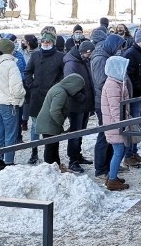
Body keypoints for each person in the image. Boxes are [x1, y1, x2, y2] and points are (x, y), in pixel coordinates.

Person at [24, 29, 64, 165]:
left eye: (48, 41)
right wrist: (31, 84)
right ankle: (34, 152)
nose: (45, 43)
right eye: (43, 41)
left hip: (52, 98)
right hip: (36, 97)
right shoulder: (35, 56)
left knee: (51, 129)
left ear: (53, 42)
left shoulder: (60, 56)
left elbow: (63, 76)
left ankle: (53, 159)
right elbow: (27, 71)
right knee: (35, 127)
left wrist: (57, 87)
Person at [0, 37, 26, 171]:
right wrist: (22, 94)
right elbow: (17, 89)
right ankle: (9, 161)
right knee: (11, 133)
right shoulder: (11, 65)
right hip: (8, 103)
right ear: (11, 50)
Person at [90, 33, 125, 178]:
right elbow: (100, 82)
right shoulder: (100, 59)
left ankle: (111, 164)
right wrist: (115, 85)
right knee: (105, 135)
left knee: (112, 136)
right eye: (119, 47)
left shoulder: (106, 56)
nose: (120, 50)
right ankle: (101, 168)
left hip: (109, 98)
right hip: (103, 101)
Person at [35, 74, 86, 172]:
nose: (77, 92)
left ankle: (56, 167)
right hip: (49, 124)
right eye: (77, 88)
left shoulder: (59, 88)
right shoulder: (61, 92)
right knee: (50, 147)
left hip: (49, 123)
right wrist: (60, 122)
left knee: (54, 146)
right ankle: (50, 169)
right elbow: (55, 111)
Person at [121, 28, 141, 166]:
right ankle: (128, 155)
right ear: (139, 40)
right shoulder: (130, 54)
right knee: (132, 125)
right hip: (135, 96)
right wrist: (139, 88)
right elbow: (130, 76)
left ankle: (134, 152)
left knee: (138, 125)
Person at [100, 55, 131, 191]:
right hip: (116, 125)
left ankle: (112, 176)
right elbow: (115, 109)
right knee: (119, 150)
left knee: (120, 150)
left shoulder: (115, 82)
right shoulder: (112, 85)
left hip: (117, 123)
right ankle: (112, 180)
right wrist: (121, 125)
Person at [63, 40, 95, 169]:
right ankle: (73, 160)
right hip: (76, 105)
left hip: (84, 104)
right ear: (85, 52)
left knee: (80, 132)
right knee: (75, 133)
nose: (91, 56)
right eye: (90, 53)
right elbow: (70, 85)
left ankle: (78, 155)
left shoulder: (83, 61)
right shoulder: (71, 64)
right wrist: (82, 98)